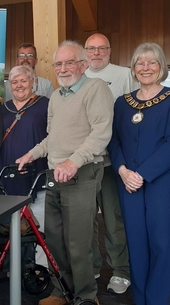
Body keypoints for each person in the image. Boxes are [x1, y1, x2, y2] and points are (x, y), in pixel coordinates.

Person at [16, 40, 114, 304]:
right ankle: (62, 291)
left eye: (69, 62)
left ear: (83, 65)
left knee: (78, 242)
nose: (62, 68)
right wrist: (32, 154)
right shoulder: (57, 97)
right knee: (56, 241)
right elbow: (52, 138)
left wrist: (73, 162)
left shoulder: (96, 89)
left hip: (81, 173)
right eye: (58, 63)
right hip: (53, 176)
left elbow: (101, 133)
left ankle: (85, 297)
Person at [108, 43, 170, 305]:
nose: (145, 67)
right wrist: (121, 170)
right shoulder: (122, 103)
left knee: (161, 244)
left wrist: (140, 174)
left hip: (161, 183)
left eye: (151, 62)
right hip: (127, 182)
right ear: (133, 68)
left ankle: (157, 300)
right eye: (140, 63)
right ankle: (140, 298)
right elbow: (114, 141)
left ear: (161, 66)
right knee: (136, 244)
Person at [84, 33, 135, 293]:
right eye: (91, 49)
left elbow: (131, 114)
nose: (96, 53)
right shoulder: (78, 76)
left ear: (110, 51)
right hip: (84, 162)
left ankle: (121, 270)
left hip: (112, 160)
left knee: (114, 219)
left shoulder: (124, 74)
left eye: (101, 48)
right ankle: (92, 266)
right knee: (87, 218)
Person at [0, 64, 48, 196]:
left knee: (36, 215)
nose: (19, 85)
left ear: (32, 82)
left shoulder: (45, 104)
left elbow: (54, 136)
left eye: (23, 81)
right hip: (7, 171)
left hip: (35, 170)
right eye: (14, 82)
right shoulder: (2, 108)